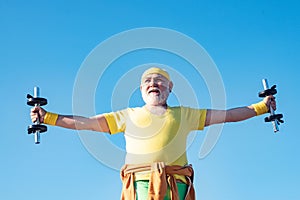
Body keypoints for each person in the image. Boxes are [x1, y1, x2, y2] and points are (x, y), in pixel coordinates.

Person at [30, 67, 276, 200]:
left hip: (175, 187)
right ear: (141, 89)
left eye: (159, 80)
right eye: (148, 81)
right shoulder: (127, 115)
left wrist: (261, 107)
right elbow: (86, 123)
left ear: (170, 88)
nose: (153, 84)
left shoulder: (185, 114)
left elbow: (228, 115)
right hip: (139, 187)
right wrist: (49, 117)